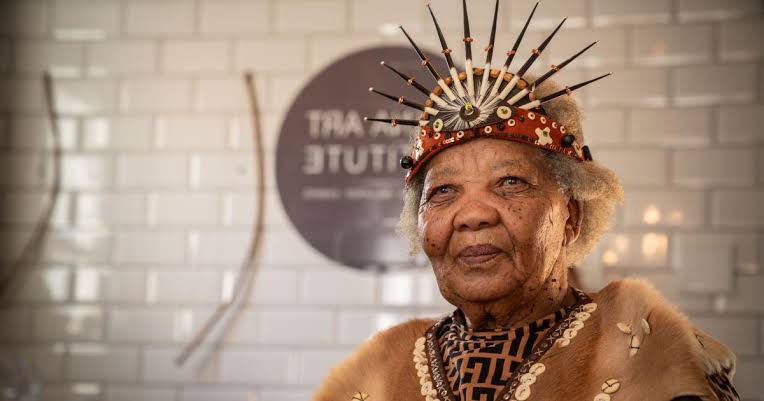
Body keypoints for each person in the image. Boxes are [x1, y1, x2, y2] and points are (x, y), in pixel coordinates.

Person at [313, 2, 740, 401]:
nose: (473, 215)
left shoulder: (655, 360)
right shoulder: (379, 371)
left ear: (571, 217)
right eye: (443, 191)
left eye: (510, 182)